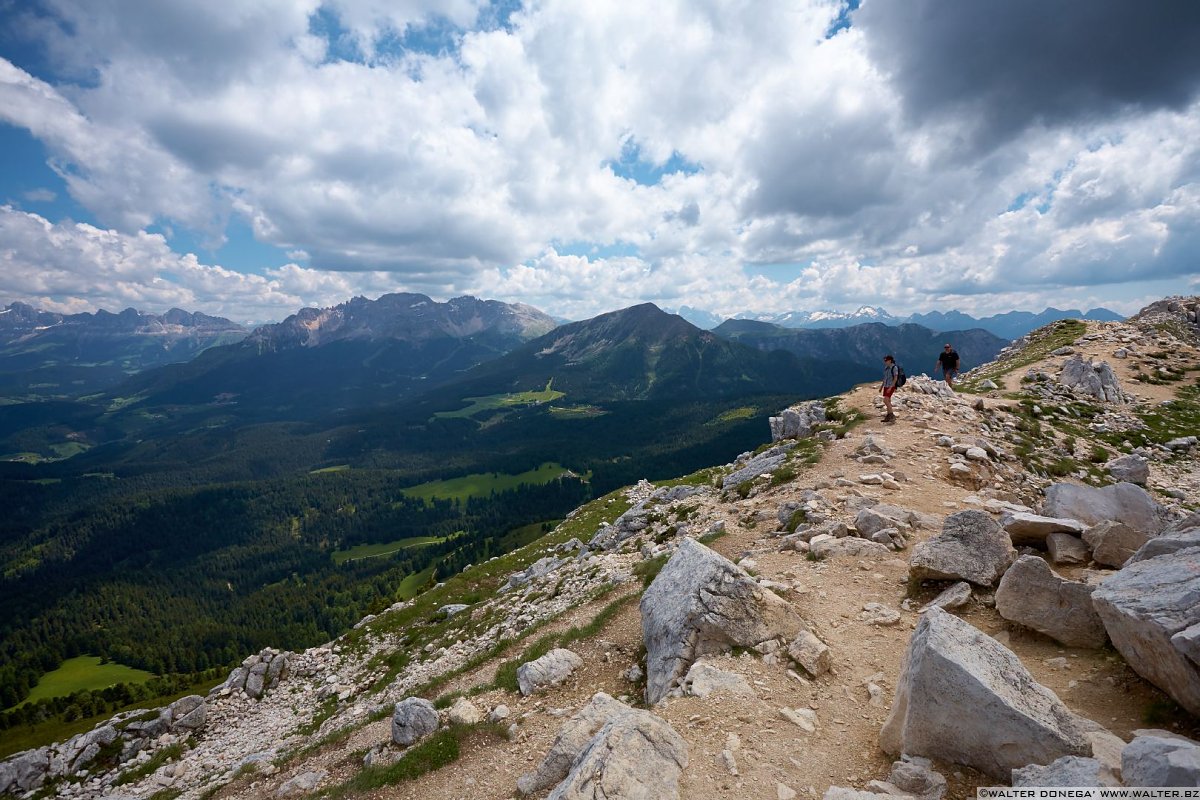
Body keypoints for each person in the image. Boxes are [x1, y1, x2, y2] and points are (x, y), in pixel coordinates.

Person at [880, 355, 898, 423]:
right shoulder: (886, 368)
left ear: (890, 360)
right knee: (888, 401)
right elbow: (885, 378)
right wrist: (881, 387)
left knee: (885, 400)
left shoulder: (894, 367)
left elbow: (895, 378)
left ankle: (892, 415)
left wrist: (891, 387)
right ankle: (888, 416)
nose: (885, 362)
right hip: (886, 386)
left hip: (891, 386)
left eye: (886, 360)